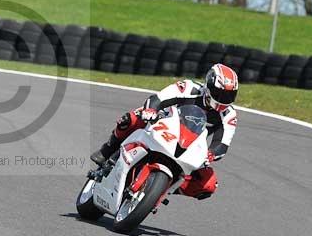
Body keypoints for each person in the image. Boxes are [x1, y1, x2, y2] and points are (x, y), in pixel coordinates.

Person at [90, 63, 239, 200]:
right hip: (163, 123)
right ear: (208, 86)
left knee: (209, 184)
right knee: (132, 119)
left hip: (189, 145)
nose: (223, 99)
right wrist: (151, 110)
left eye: (228, 96)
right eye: (219, 93)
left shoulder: (229, 115)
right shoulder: (189, 88)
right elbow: (158, 98)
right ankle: (107, 151)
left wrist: (211, 153)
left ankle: (162, 190)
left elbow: (222, 143)